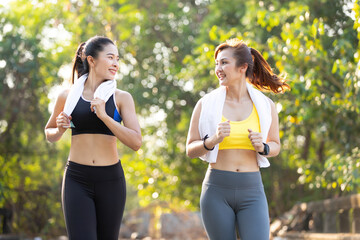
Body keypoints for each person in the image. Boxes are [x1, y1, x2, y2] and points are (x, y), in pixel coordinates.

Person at [186, 38, 290, 240]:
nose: (218, 68)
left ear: (243, 67)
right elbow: (190, 149)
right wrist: (212, 140)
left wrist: (264, 147)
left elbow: (276, 145)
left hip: (252, 191)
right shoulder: (205, 104)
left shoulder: (266, 106)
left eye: (224, 62)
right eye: (217, 63)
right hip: (216, 191)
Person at [45, 36, 142, 240]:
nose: (116, 63)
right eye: (110, 57)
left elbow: (136, 142)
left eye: (118, 58)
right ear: (91, 60)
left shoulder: (121, 98)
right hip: (77, 179)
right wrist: (61, 130)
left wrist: (104, 116)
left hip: (111, 180)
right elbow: (49, 133)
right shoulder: (67, 96)